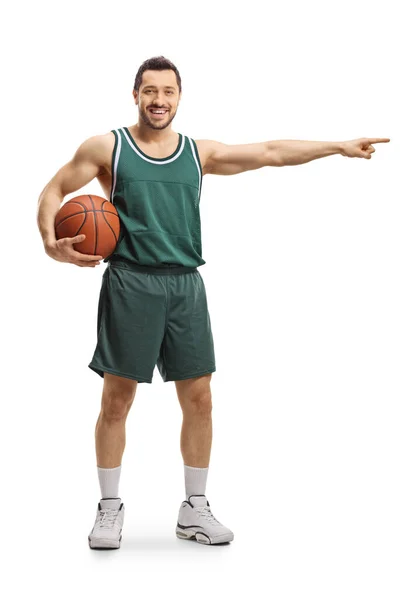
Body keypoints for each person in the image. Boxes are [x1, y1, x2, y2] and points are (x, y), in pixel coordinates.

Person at [37, 55, 390, 549]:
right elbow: (54, 189)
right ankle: (109, 509)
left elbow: (269, 151)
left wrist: (336, 146)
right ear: (134, 95)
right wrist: (52, 244)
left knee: (200, 399)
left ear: (179, 97)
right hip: (130, 283)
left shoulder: (197, 154)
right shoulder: (106, 148)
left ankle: (194, 509)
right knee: (117, 400)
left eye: (168, 92)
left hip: (186, 285)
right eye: (149, 91)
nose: (159, 100)